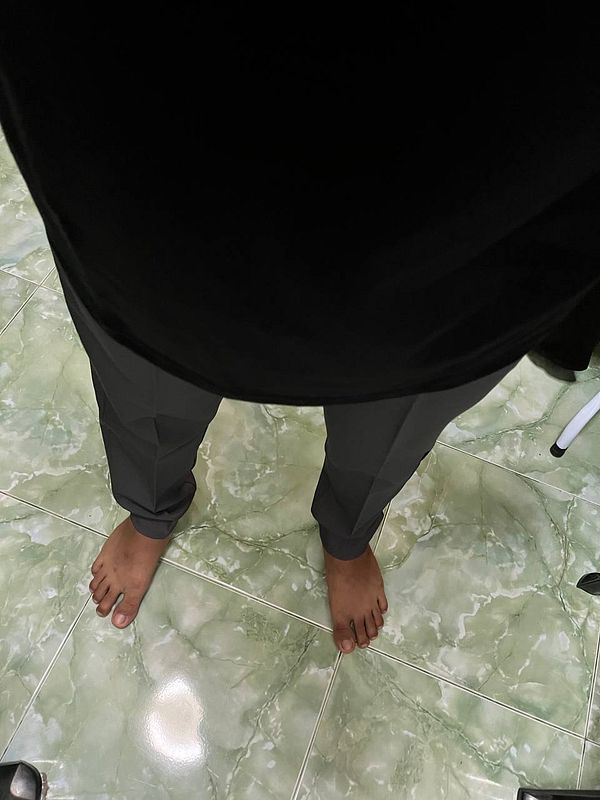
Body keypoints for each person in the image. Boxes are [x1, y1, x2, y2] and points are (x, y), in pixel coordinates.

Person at [1, 8, 599, 654]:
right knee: (145, 378)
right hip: (139, 161)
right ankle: (151, 510)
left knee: (395, 419)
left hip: (471, 198)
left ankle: (347, 534)